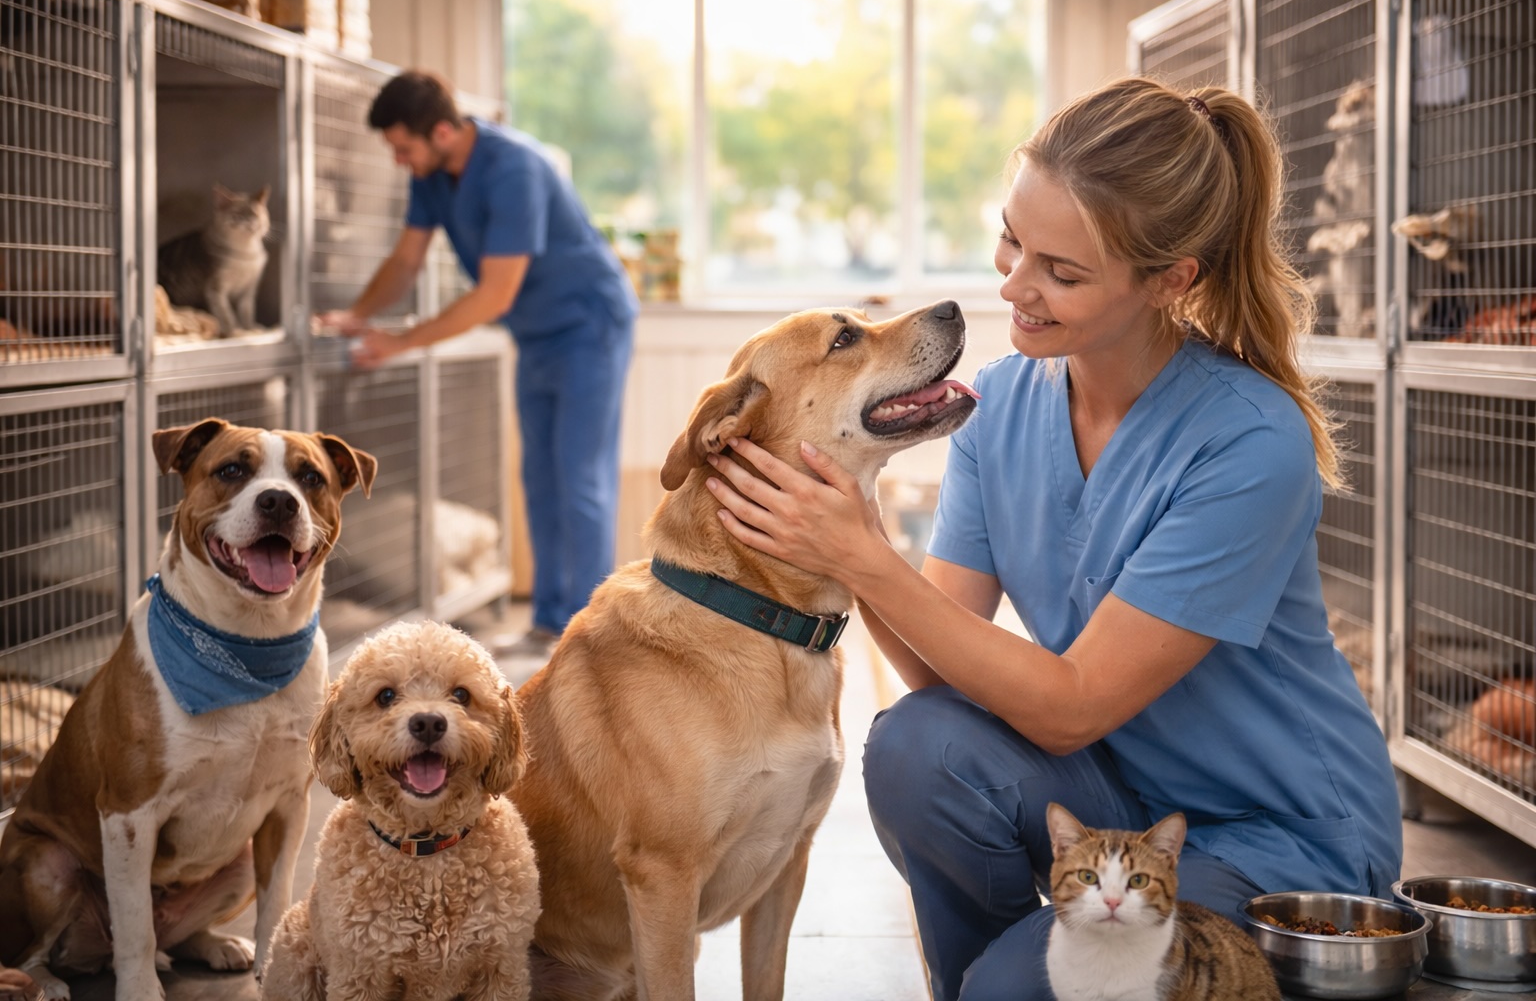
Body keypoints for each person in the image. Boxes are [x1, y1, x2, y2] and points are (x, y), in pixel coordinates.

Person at [702, 77, 1402, 1001]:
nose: (1012, 285)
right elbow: (937, 670)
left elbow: (1071, 708)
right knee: (919, 745)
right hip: (1115, 803)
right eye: (1012, 239)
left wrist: (861, 555)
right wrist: (845, 526)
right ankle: (1004, 978)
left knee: (1014, 990)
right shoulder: (1002, 412)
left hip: (1278, 838)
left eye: (1061, 272)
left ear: (1170, 279)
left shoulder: (1248, 441)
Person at [317, 70, 638, 656]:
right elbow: (407, 259)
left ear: (442, 131)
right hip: (538, 333)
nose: (398, 160)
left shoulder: (514, 168)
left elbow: (495, 294)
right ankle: (549, 621)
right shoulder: (432, 176)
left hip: (590, 323)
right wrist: (359, 315)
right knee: (539, 475)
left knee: (579, 477)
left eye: (403, 147)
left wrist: (402, 341)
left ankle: (592, 634)